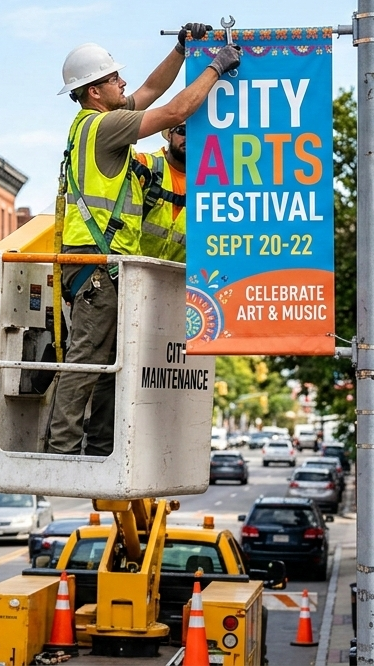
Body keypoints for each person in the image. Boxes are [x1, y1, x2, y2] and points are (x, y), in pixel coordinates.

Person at [46, 30, 242, 456]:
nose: (123, 84)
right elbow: (173, 110)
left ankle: (99, 448)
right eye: (115, 79)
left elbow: (152, 91)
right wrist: (216, 66)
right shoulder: (105, 126)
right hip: (97, 265)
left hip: (103, 266)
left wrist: (180, 51)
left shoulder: (98, 121)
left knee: (110, 363)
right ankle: (61, 451)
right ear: (94, 91)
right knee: (88, 361)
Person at [135, 125, 187, 261]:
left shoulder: (208, 184)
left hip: (177, 276)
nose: (189, 138)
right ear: (169, 135)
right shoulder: (145, 165)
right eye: (183, 131)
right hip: (133, 270)